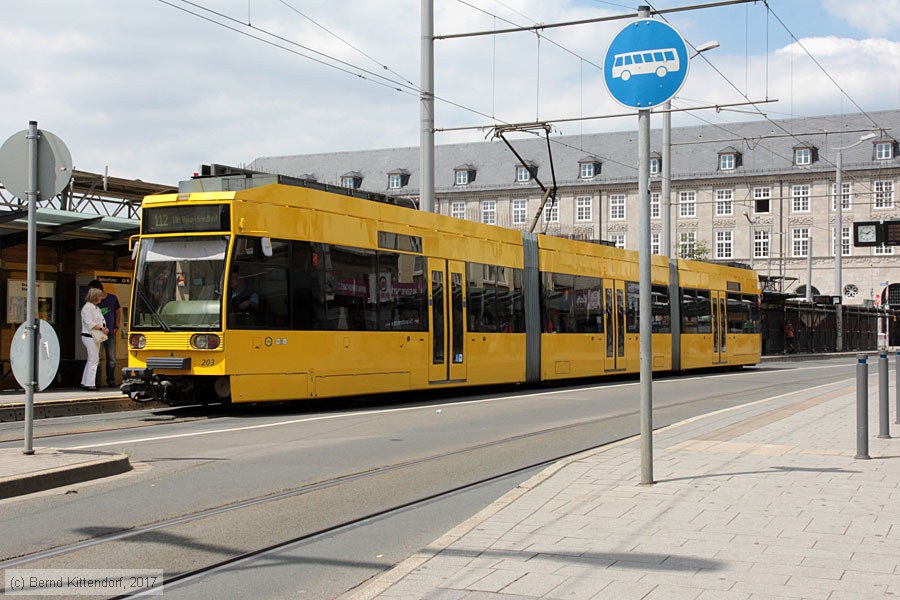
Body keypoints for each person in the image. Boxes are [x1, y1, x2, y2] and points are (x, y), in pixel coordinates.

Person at [88, 280, 122, 387]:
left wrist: (116, 326)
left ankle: (111, 380)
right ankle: (97, 381)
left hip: (110, 332)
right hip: (97, 333)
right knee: (97, 358)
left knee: (111, 358)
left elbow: (118, 311)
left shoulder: (112, 298)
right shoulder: (92, 303)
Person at [81, 287, 108, 392]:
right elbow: (89, 323)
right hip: (89, 336)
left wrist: (104, 328)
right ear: (95, 297)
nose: (101, 298)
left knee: (92, 359)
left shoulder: (96, 308)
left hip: (96, 336)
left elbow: (100, 321)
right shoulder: (87, 308)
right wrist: (102, 328)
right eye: (99, 296)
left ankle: (85, 381)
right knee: (94, 359)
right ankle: (90, 384)